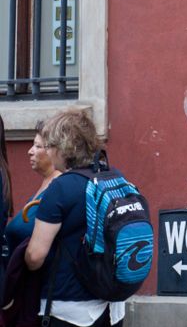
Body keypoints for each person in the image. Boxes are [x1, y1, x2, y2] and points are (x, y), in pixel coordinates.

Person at [24, 110, 123, 326]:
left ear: (63, 148)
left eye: (50, 146)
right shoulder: (114, 177)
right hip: (112, 307)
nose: (48, 153)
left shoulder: (61, 188)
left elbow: (35, 256)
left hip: (68, 308)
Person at [3, 129, 57, 264]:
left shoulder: (57, 189)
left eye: (38, 146)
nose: (30, 151)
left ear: (54, 152)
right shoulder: (46, 184)